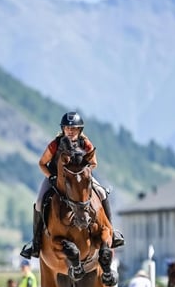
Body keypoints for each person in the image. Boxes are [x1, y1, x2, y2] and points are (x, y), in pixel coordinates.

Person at [20, 111, 124, 259]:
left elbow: (94, 163)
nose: (70, 131)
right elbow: (42, 163)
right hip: (56, 177)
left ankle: (112, 231)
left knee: (101, 193)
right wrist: (51, 177)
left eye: (73, 128)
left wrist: (81, 173)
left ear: (79, 130)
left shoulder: (85, 143)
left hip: (80, 178)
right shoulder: (55, 144)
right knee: (39, 202)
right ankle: (36, 242)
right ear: (63, 129)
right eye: (67, 128)